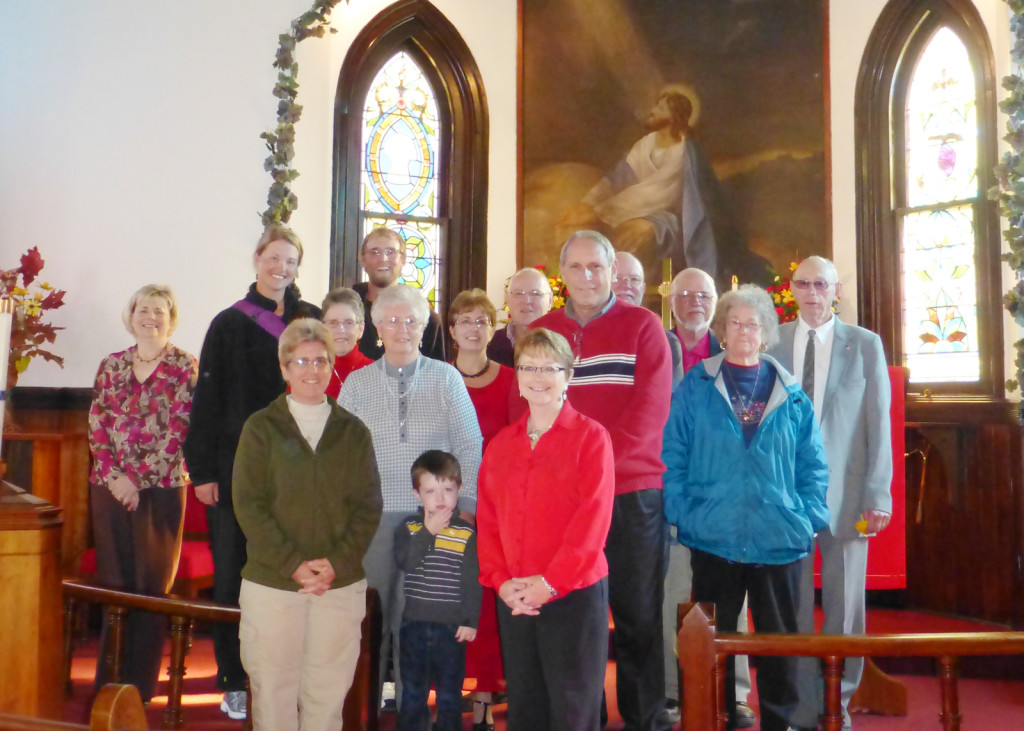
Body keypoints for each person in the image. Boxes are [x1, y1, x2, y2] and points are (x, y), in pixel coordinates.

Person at [662, 284, 830, 731]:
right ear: (721, 329)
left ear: (766, 332)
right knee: (709, 645)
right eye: (735, 322)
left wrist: (808, 518)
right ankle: (708, 719)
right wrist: (684, 513)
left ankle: (784, 723)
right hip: (713, 536)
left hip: (780, 538)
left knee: (783, 648)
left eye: (753, 324)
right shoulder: (695, 386)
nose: (744, 331)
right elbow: (672, 455)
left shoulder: (792, 394)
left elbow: (812, 463)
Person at [532, 231, 672, 731]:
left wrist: (594, 468)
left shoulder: (644, 327)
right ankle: (580, 717)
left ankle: (645, 719)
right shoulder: (542, 329)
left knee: (637, 616)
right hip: (563, 500)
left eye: (597, 267)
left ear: (613, 271)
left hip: (631, 495)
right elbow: (525, 408)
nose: (587, 277)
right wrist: (564, 476)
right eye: (577, 267)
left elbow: (650, 412)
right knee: (573, 617)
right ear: (562, 272)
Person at [184, 224, 320, 720]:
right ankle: (233, 677)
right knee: (234, 575)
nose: (281, 268)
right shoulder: (228, 324)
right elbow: (209, 400)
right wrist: (202, 471)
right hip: (237, 469)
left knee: (292, 571)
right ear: (257, 258)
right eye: (274, 258)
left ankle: (292, 674)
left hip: (300, 474)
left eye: (290, 261)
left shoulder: (310, 320)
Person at [338, 283, 482, 711]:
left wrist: (463, 509)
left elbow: (470, 445)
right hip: (374, 521)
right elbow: (340, 454)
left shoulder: (446, 377)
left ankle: (409, 709)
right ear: (378, 327)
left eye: (412, 320)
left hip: (433, 520)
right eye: (392, 320)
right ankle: (362, 707)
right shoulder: (358, 384)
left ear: (424, 327)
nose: (402, 328)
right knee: (371, 617)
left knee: (415, 621)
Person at [233, 318, 382, 730]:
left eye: (321, 361)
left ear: (332, 367)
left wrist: (334, 563)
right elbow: (249, 505)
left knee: (326, 698)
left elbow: (368, 507)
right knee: (273, 696)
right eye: (301, 361)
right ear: (284, 368)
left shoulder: (353, 432)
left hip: (337, 584)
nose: (312, 370)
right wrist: (293, 564)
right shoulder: (260, 428)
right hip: (273, 584)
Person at [768, 256, 893, 731]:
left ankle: (835, 704)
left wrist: (877, 494)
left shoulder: (864, 345)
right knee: (792, 607)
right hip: (786, 499)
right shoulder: (771, 340)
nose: (813, 292)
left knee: (845, 606)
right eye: (803, 284)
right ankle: (799, 706)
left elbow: (879, 424)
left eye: (822, 284)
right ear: (791, 290)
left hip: (849, 495)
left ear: (836, 289)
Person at [477, 328, 615, 731]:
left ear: (568, 376)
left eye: (549, 368)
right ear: (517, 377)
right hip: (516, 597)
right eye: (528, 367)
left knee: (572, 710)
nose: (537, 376)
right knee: (525, 708)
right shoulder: (502, 444)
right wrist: (502, 583)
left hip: (571, 595)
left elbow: (593, 522)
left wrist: (550, 584)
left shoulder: (591, 438)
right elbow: (488, 522)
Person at [87, 284, 198, 703]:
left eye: (159, 311)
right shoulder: (110, 365)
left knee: (150, 586)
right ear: (130, 314)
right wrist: (116, 478)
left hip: (161, 491)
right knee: (114, 584)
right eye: (143, 309)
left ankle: (140, 686)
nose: (150, 317)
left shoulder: (184, 365)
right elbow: (97, 425)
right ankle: (108, 679)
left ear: (171, 319)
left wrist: (137, 480)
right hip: (109, 490)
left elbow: (179, 431)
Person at [660, 266, 755, 729]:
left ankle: (733, 694)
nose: (694, 301)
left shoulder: (733, 348)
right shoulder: (655, 344)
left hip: (724, 497)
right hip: (675, 488)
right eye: (685, 294)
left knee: (731, 600)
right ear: (670, 299)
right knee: (673, 596)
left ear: (717, 301)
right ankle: (673, 691)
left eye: (703, 294)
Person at [559, 86, 771, 293]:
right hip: (633, 215)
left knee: (640, 235)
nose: (652, 111)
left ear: (674, 115)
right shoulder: (644, 146)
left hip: (681, 224)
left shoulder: (688, 153)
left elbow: (699, 206)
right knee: (590, 228)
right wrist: (586, 203)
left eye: (660, 108)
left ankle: (635, 295)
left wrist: (654, 222)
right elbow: (615, 181)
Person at [448, 288, 514, 730]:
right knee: (450, 597)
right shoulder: (437, 376)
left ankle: (487, 693)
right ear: (451, 329)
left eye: (482, 320)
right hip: (446, 504)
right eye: (465, 320)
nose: (474, 328)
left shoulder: (512, 379)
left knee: (489, 600)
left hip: (498, 505)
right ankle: (450, 686)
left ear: (493, 328)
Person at [395, 450, 482, 731]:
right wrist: (427, 531)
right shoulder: (408, 528)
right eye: (431, 490)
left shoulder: (467, 534)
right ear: (417, 494)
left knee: (449, 695)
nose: (441, 498)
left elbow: (472, 581)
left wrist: (470, 621)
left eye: (448, 489)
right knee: (413, 694)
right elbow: (405, 562)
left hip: (451, 629)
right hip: (414, 626)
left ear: (459, 490)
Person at [353, 227, 446, 361]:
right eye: (375, 252)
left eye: (390, 252)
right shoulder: (347, 311)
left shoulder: (423, 316)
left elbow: (437, 373)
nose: (383, 259)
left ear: (403, 260)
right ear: (362, 260)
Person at [612, 250, 684, 389]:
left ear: (643, 289)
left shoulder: (666, 341)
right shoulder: (584, 335)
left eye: (634, 279)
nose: (626, 285)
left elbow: (670, 399)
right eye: (617, 278)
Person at [488, 267, 553, 367]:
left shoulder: (566, 344)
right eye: (518, 293)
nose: (527, 301)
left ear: (550, 300)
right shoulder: (488, 345)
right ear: (507, 299)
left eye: (535, 294)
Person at [321, 286, 372, 398]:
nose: (341, 330)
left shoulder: (376, 374)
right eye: (333, 323)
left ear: (361, 329)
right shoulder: (309, 371)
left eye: (348, 322)